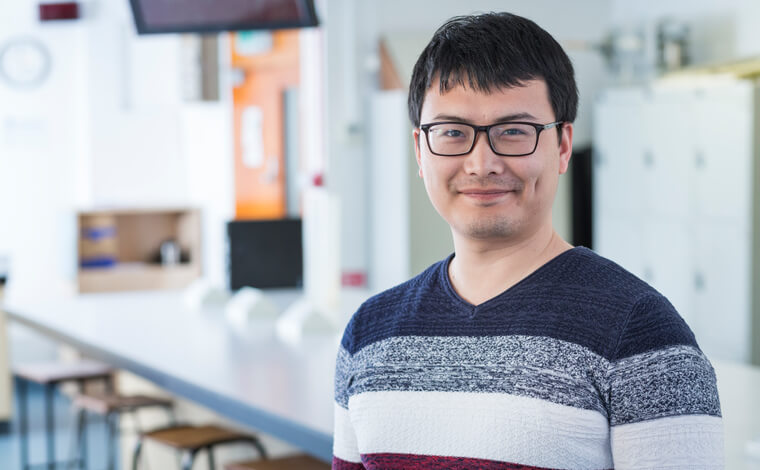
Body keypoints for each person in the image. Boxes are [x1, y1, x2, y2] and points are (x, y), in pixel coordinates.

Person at [332, 12, 722, 470]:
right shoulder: (368, 334)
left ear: (561, 146)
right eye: (453, 133)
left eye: (513, 132)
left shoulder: (641, 333)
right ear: (420, 150)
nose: (482, 163)